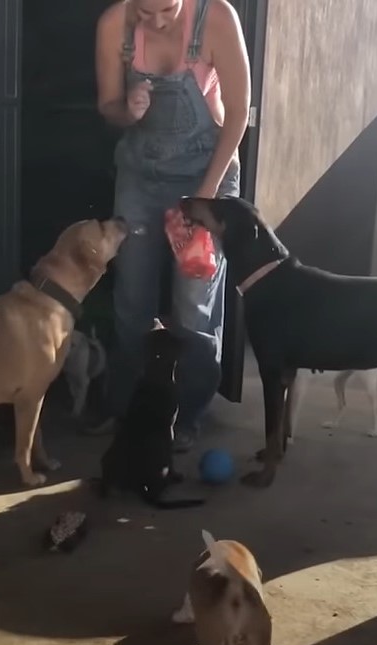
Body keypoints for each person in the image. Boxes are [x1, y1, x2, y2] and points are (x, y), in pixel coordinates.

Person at [89, 0, 251, 450]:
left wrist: (204, 198)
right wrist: (128, 110)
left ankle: (187, 416)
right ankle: (125, 407)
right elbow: (108, 107)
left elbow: (237, 114)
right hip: (141, 178)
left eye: (167, 8)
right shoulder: (112, 25)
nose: (157, 20)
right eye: (145, 10)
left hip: (207, 173)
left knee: (194, 303)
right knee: (131, 298)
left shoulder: (217, 17)